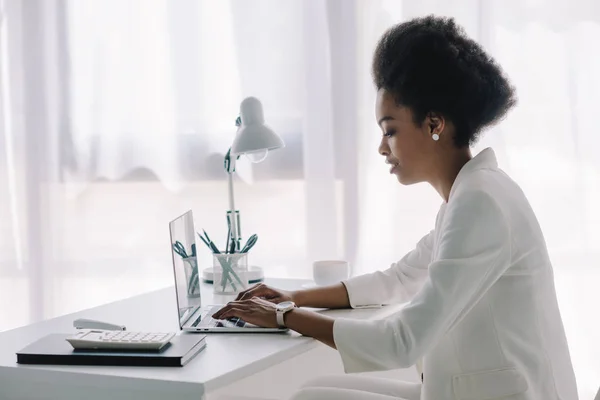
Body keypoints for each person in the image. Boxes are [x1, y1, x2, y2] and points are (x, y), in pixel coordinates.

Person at [213, 15, 578, 400]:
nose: (382, 148)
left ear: (434, 123)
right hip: (471, 389)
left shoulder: (480, 203)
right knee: (314, 390)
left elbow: (403, 341)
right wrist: (296, 298)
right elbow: (400, 279)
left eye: (390, 130)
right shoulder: (472, 194)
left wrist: (285, 318)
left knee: (312, 398)